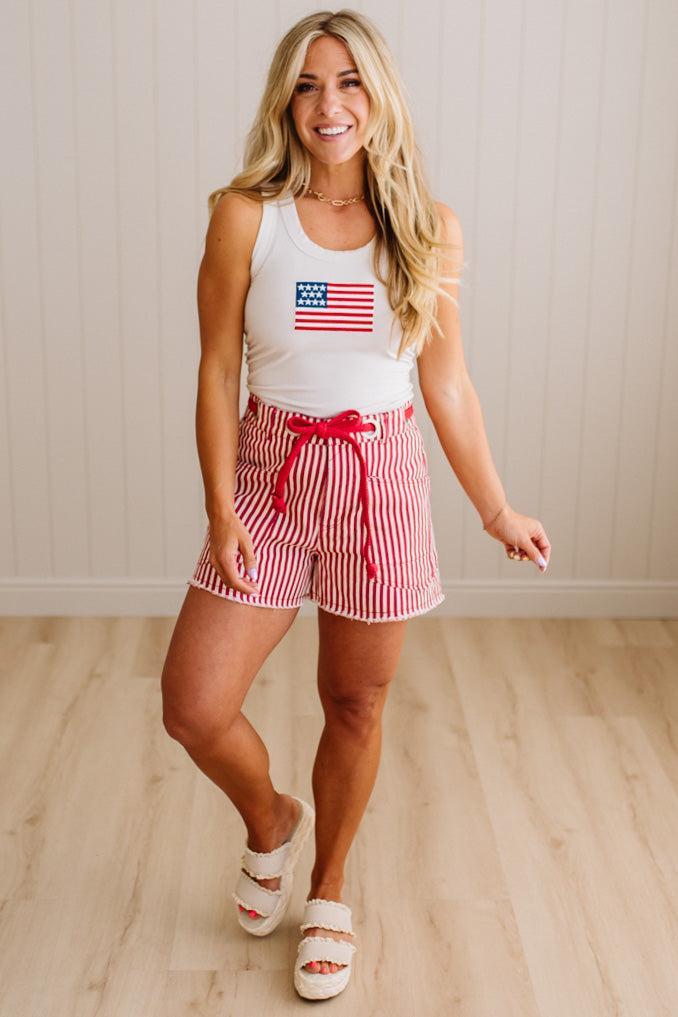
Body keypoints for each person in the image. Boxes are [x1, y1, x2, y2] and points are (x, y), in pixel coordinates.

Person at [161, 8, 551, 1002]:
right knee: (196, 706)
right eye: (306, 85)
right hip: (271, 480)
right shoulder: (247, 214)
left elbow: (447, 385)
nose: (327, 105)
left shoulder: (429, 226)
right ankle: (272, 824)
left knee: (355, 701)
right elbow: (216, 370)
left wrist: (496, 508)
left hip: (381, 484)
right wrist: (219, 504)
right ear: (283, 103)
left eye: (347, 82)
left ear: (379, 97)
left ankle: (328, 887)